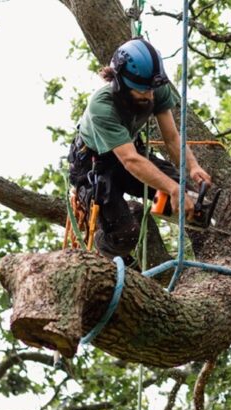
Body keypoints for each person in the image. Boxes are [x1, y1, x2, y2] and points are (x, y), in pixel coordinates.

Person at [67, 38, 212, 262]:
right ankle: (104, 246)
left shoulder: (155, 87)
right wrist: (172, 188)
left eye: (152, 90)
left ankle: (207, 252)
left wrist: (192, 166)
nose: (150, 96)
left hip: (129, 154)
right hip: (95, 167)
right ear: (119, 84)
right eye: (142, 91)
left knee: (192, 200)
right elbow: (131, 161)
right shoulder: (102, 107)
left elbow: (172, 139)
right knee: (125, 234)